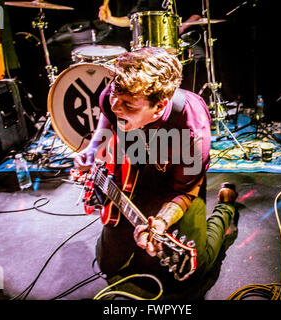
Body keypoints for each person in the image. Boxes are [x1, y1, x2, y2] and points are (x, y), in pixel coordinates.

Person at [74, 47, 238, 299]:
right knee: (107, 263)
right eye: (115, 95)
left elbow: (185, 189)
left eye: (128, 104)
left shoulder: (191, 127)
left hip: (177, 183)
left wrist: (160, 222)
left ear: (159, 105)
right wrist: (94, 146)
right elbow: (108, 115)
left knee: (192, 271)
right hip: (132, 172)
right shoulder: (116, 94)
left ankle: (226, 209)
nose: (116, 105)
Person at [98, 0, 206, 93]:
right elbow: (134, 18)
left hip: (187, 38)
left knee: (196, 61)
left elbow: (196, 14)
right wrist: (110, 19)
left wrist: (181, 27)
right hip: (157, 46)